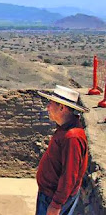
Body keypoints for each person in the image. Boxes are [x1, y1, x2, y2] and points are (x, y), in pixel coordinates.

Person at [36, 85, 89, 215]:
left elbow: (70, 174)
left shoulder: (72, 137)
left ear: (61, 107)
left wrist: (56, 204)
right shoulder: (65, 129)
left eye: (51, 103)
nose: (47, 107)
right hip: (50, 194)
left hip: (53, 197)